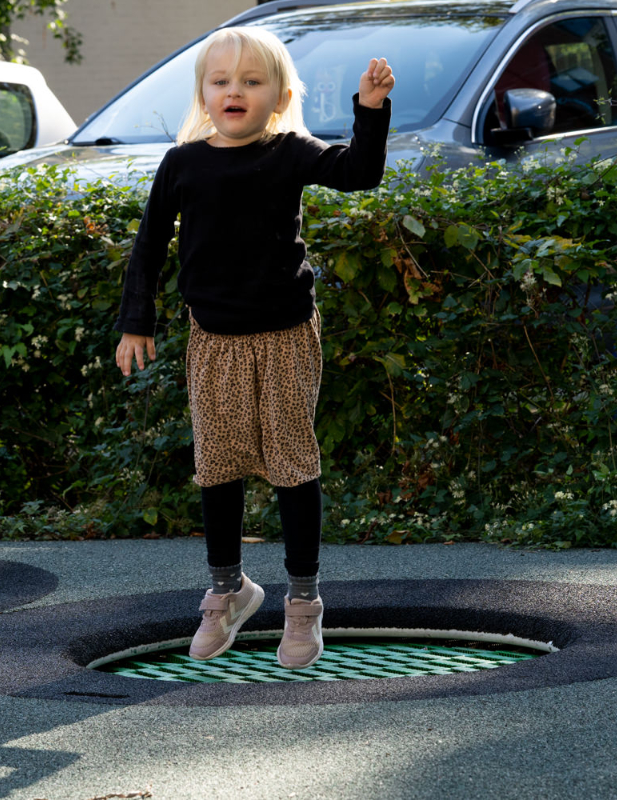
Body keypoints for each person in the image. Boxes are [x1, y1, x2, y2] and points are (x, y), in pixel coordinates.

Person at [113, 27, 394, 669]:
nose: (233, 91)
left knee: (293, 464)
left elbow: (359, 173)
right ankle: (228, 590)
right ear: (204, 94)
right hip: (215, 340)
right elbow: (149, 247)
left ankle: (303, 602)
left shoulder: (290, 152)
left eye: (250, 81)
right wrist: (138, 322)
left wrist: (370, 111)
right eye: (221, 81)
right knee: (219, 464)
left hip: (286, 336)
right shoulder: (183, 163)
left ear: (279, 95)